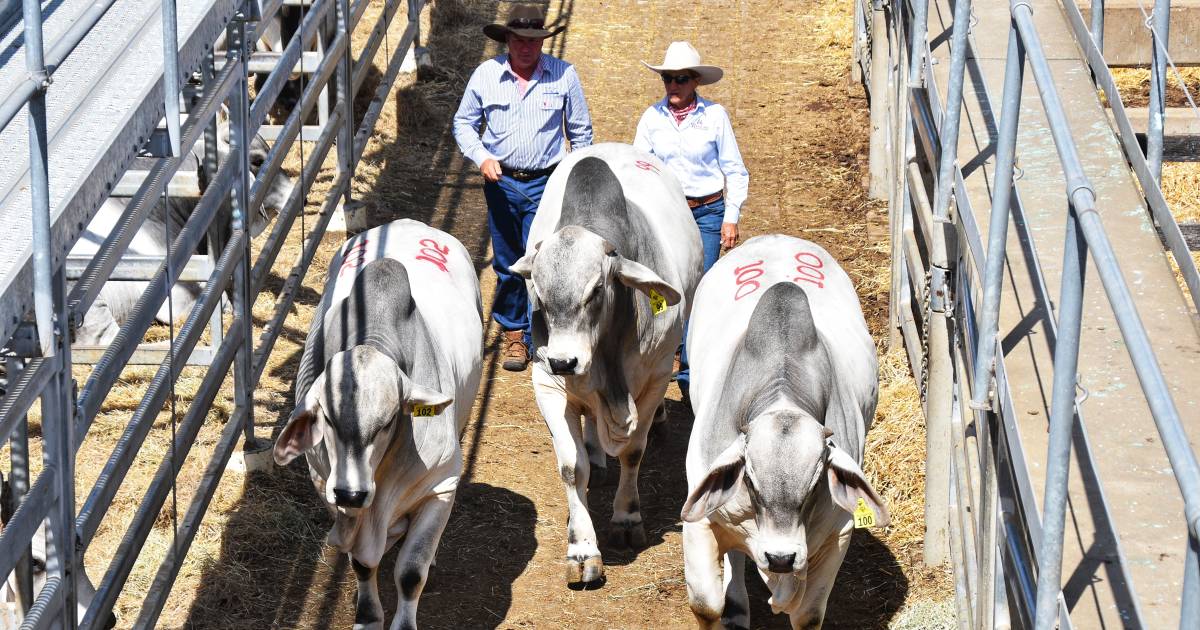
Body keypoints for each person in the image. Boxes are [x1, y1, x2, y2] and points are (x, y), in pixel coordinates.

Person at [453, 4, 594, 371]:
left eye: (533, 40)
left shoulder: (564, 76)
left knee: (543, 257)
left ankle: (540, 334)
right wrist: (482, 157)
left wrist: (574, 176)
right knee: (508, 259)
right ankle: (515, 333)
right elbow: (464, 124)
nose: (526, 47)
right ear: (508, 40)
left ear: (543, 41)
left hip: (547, 182)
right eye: (519, 39)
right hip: (501, 181)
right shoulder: (486, 75)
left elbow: (580, 132)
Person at [633, 41, 749, 398]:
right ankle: (664, 347)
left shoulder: (715, 117)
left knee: (699, 288)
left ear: (695, 81)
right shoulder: (652, 118)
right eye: (668, 78)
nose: (673, 86)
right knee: (661, 285)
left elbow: (735, 169)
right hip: (668, 211)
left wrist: (731, 216)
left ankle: (688, 367)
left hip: (707, 212)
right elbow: (640, 166)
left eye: (681, 79)